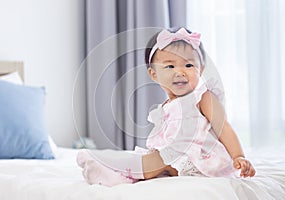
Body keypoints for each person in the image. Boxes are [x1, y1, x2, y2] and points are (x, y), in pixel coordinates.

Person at [77, 27, 256, 187]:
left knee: (158, 161)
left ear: (200, 70)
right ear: (154, 74)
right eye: (169, 66)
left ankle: (117, 170)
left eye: (188, 65)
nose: (180, 71)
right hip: (174, 158)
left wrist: (238, 156)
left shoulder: (203, 97)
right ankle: (116, 175)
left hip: (200, 161)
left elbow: (223, 127)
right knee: (154, 161)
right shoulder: (166, 107)